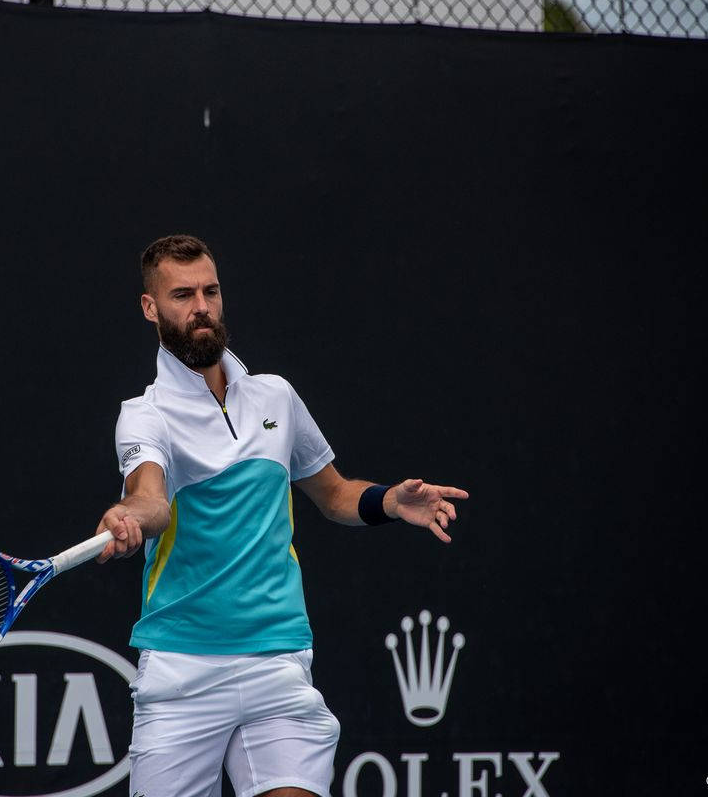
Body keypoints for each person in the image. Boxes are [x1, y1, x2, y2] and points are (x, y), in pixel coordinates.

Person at [93, 234, 468, 797]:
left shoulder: (276, 398)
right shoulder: (145, 416)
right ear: (151, 308)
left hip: (277, 661)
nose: (201, 307)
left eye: (211, 291)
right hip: (182, 672)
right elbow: (150, 499)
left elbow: (334, 493)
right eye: (182, 295)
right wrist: (129, 515)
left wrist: (389, 501)